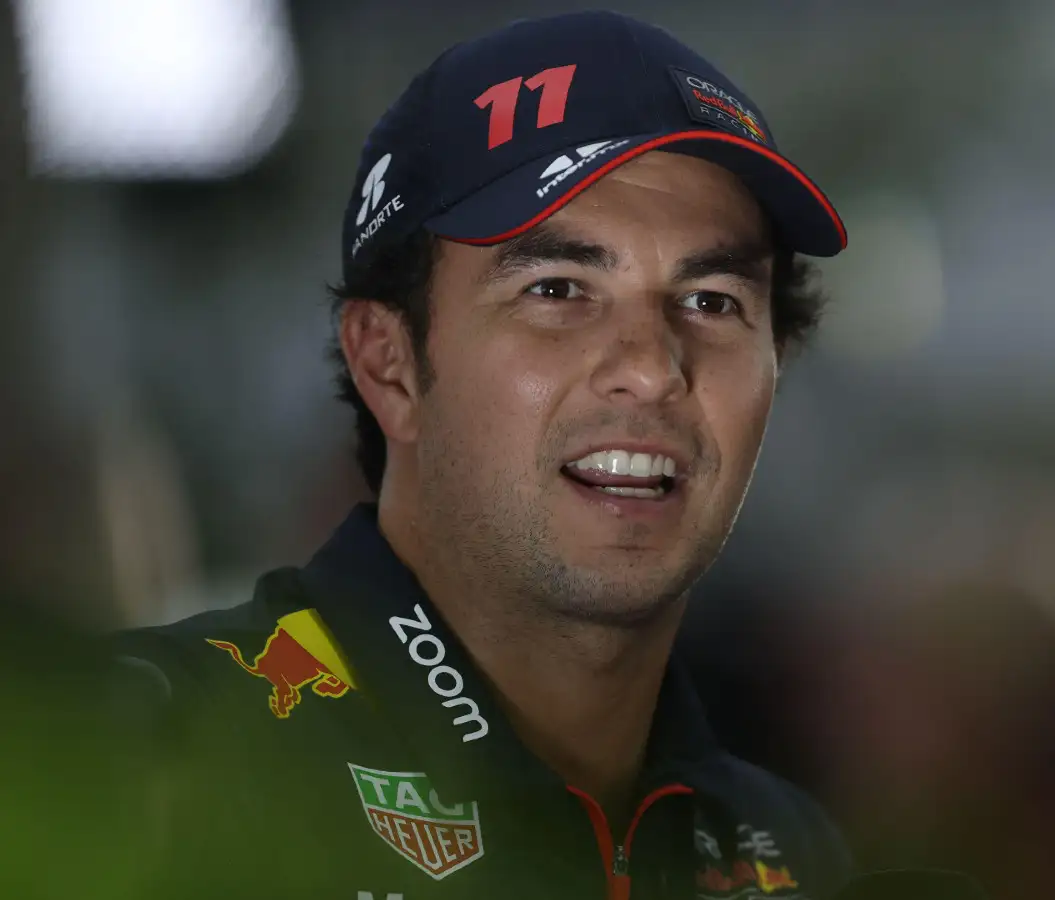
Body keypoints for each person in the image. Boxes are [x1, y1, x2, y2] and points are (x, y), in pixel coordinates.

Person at [114, 11, 852, 899]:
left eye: (712, 301)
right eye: (559, 289)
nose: (653, 370)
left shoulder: (788, 855)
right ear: (389, 364)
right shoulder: (149, 755)